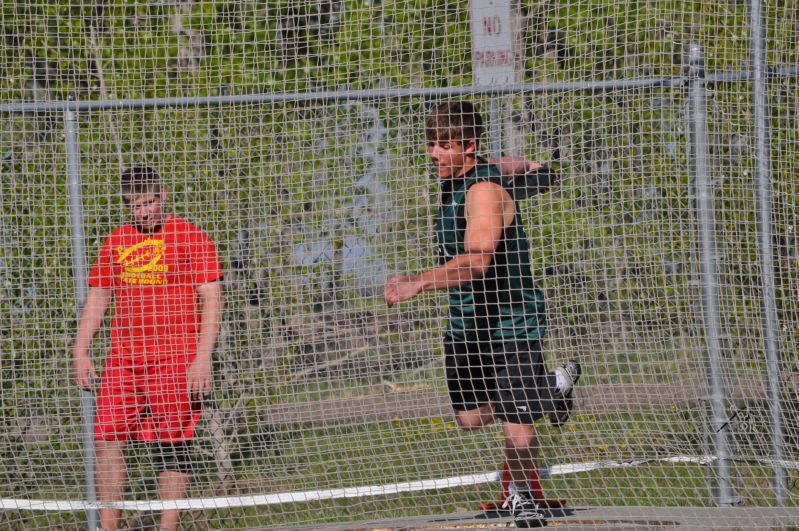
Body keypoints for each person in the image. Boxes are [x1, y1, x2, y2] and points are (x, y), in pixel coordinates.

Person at [384, 101, 580, 528]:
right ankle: (552, 384)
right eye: (430, 144)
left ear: (467, 146)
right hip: (467, 323)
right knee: (469, 417)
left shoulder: (483, 193)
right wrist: (526, 166)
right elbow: (510, 165)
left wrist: (418, 282)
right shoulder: (464, 174)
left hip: (510, 322)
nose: (432, 153)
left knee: (517, 421)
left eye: (442, 145)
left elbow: (476, 262)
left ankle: (523, 497)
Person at [72, 166, 224, 531]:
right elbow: (99, 295)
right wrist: (80, 350)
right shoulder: (117, 241)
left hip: (176, 356)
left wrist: (202, 358)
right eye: (136, 206)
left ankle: (166, 526)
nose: (145, 212)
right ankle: (108, 526)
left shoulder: (190, 237)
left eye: (150, 202)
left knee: (172, 442)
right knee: (107, 439)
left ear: (163, 195)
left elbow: (212, 298)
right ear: (127, 207)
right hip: (124, 359)